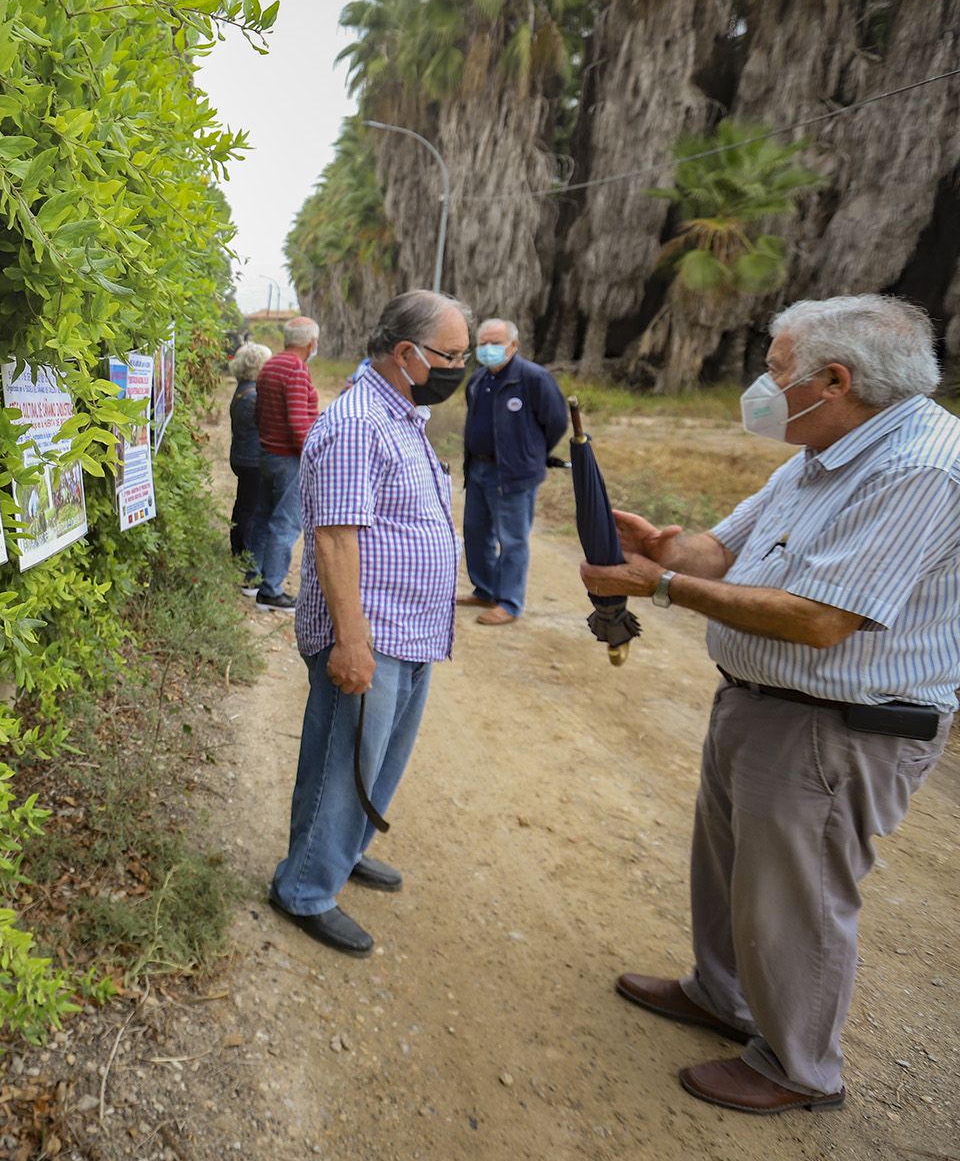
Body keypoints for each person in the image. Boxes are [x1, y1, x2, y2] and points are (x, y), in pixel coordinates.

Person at [583, 294, 957, 1115]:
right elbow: (722, 548)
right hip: (761, 702)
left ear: (835, 378)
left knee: (799, 896)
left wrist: (666, 586)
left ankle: (799, 1066)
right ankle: (724, 996)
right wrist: (662, 549)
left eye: (777, 369)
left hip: (840, 725)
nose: (763, 384)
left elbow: (822, 619)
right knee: (731, 873)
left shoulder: (919, 467)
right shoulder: (821, 448)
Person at [266, 291, 471, 955]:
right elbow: (333, 539)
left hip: (410, 633)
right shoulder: (358, 421)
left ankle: (343, 851)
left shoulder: (403, 415)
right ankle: (303, 887)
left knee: (373, 765)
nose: (462, 366)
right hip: (370, 637)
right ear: (408, 354)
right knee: (339, 763)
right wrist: (352, 642)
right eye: (452, 355)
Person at [459, 318, 568, 626]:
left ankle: (509, 602)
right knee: (476, 533)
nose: (488, 349)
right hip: (479, 468)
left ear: (513, 345)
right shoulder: (478, 381)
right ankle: (485, 589)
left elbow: (556, 422)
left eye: (496, 342)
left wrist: (530, 454)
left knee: (512, 539)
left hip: (513, 474)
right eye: (483, 343)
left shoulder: (533, 378)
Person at [251, 318, 322, 613]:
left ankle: (252, 576)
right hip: (288, 458)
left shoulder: (270, 364)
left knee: (264, 516)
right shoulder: (295, 369)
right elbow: (297, 422)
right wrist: (314, 456)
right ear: (311, 343)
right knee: (286, 523)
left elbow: (258, 412)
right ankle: (271, 590)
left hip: (267, 452)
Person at [228, 341, 272, 585]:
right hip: (252, 459)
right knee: (251, 508)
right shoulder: (254, 395)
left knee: (243, 504)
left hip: (241, 456)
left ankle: (237, 546)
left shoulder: (242, 389)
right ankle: (243, 550)